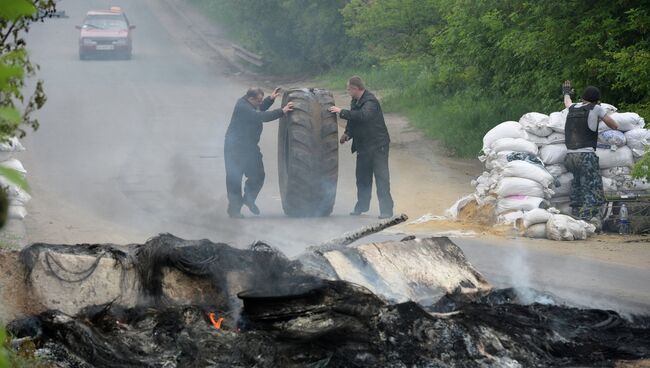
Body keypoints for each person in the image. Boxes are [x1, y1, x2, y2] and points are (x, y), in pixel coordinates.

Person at [329, 76, 394, 219]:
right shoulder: (355, 101)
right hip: (364, 146)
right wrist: (347, 133)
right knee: (362, 178)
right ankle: (362, 206)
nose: (347, 92)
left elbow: (364, 116)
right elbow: (354, 121)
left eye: (348, 89)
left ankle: (386, 210)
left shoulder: (370, 101)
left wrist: (341, 112)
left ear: (355, 88)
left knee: (382, 178)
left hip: (378, 146)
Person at [224, 87, 293, 218]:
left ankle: (249, 199)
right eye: (259, 100)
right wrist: (281, 111)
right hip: (235, 148)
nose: (261, 103)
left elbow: (260, 108)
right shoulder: (242, 106)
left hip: (250, 147)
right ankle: (234, 210)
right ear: (250, 99)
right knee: (234, 180)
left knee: (258, 175)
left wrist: (270, 99)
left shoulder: (251, 104)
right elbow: (260, 116)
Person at [562, 80, 618, 227]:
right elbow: (614, 125)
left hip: (570, 156)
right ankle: (586, 221)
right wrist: (598, 118)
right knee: (592, 188)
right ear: (597, 100)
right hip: (586, 155)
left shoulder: (573, 107)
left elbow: (567, 102)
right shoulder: (596, 108)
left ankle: (575, 215)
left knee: (577, 185)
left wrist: (566, 92)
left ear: (582, 98)